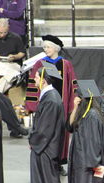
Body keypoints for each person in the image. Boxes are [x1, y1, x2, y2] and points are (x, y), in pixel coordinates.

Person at [29, 62, 71, 183]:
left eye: (37, 77)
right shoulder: (50, 97)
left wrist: (34, 142)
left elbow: (45, 129)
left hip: (47, 149)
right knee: (50, 181)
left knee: (50, 182)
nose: (34, 80)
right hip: (48, 147)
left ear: (44, 80)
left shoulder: (51, 99)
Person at [25, 35, 77, 169]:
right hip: (46, 106)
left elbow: (73, 85)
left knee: (61, 133)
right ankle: (47, 159)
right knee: (46, 131)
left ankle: (59, 162)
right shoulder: (40, 63)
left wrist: (73, 105)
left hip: (62, 106)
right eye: (44, 47)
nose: (45, 49)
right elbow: (33, 84)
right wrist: (33, 105)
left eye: (48, 47)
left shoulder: (66, 64)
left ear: (56, 48)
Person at [67, 80, 104, 183]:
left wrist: (93, 163)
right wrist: (75, 107)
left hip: (89, 162)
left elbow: (94, 143)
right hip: (86, 160)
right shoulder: (87, 113)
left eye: (78, 98)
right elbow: (70, 127)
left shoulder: (91, 116)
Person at [0, 18, 25, 94]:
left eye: (5, 32)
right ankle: (14, 74)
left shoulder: (16, 37)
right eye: (0, 32)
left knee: (6, 78)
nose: (2, 35)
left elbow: (22, 53)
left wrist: (14, 57)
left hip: (12, 64)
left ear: (8, 28)